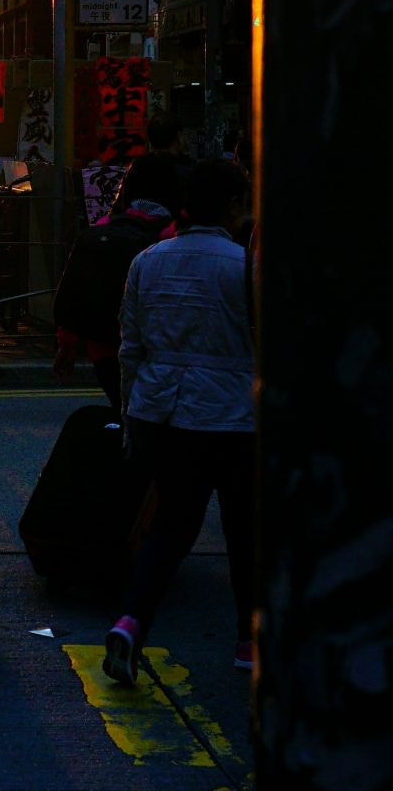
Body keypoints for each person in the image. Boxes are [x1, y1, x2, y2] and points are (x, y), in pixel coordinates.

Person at [102, 158, 257, 685]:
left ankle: (131, 621)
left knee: (169, 527)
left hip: (163, 411)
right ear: (234, 206)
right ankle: (249, 640)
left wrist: (129, 417)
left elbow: (131, 348)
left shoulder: (149, 260)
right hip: (234, 416)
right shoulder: (244, 266)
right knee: (244, 529)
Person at [51, 166, 177, 415]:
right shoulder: (173, 238)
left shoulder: (100, 230)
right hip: (158, 350)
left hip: (104, 349)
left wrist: (66, 346)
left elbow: (74, 291)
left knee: (122, 409)